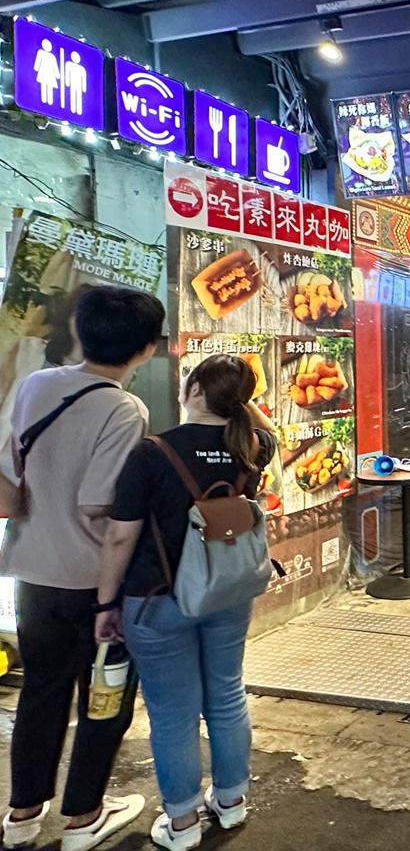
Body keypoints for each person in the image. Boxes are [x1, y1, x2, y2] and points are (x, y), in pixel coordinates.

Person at [0, 285, 164, 851]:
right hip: (93, 581)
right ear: (145, 350)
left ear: (79, 332)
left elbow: (12, 471)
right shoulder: (123, 408)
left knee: (41, 691)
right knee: (105, 697)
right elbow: (99, 503)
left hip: (32, 574)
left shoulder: (37, 385)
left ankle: (21, 815)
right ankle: (82, 817)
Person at [96, 355, 277, 851]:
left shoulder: (152, 452)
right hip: (227, 593)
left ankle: (182, 824)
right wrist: (243, 400)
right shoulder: (252, 447)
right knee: (226, 694)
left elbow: (118, 538)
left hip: (158, 600)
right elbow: (269, 432)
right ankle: (232, 802)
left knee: (174, 713)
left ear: (193, 388)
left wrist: (105, 604)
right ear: (242, 401)